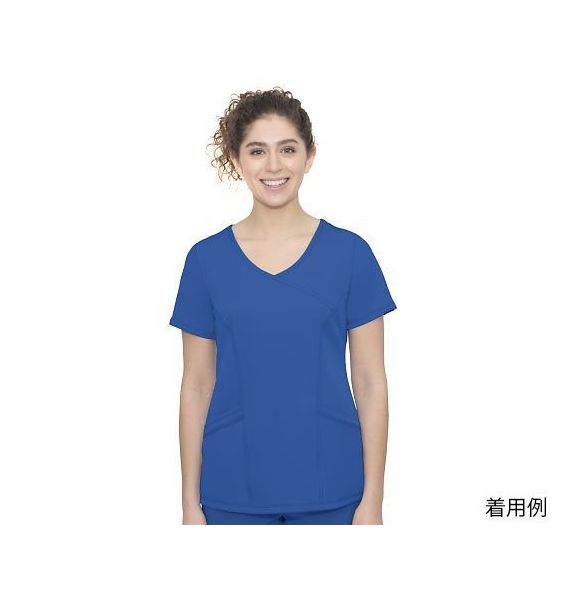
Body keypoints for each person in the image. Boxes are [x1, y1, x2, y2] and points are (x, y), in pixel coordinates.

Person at [169, 87, 397, 525]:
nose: (273, 166)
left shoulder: (351, 255)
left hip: (334, 489)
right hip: (230, 491)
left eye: (287, 149)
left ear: (309, 156)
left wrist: (373, 501)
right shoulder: (205, 261)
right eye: (257, 151)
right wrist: (188, 504)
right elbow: (195, 385)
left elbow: (371, 383)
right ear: (237, 160)